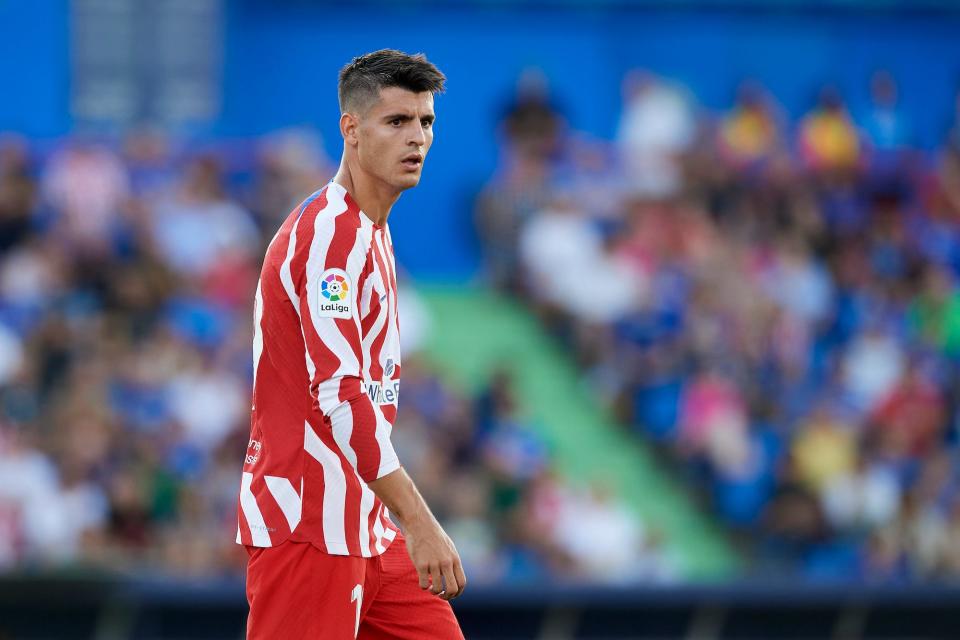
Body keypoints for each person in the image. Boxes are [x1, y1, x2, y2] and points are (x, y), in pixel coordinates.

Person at [236, 49, 466, 639]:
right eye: (397, 122)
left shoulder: (372, 233)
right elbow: (340, 393)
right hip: (310, 522)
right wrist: (417, 520)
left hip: (362, 521)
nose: (417, 138)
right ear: (351, 129)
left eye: (426, 122)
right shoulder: (327, 237)